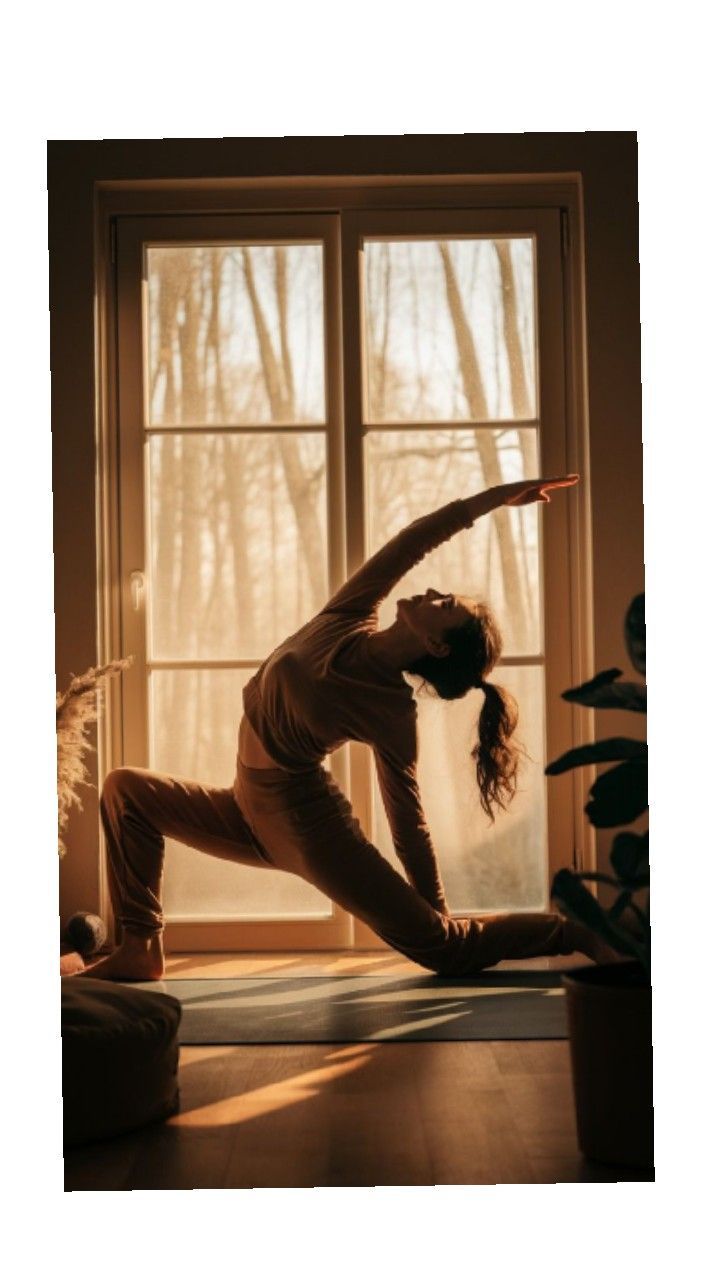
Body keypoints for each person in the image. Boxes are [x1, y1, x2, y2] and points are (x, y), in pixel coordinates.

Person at [80, 473, 618, 982]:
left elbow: (408, 820)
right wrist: (496, 498)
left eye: (444, 604)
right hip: (246, 807)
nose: (431, 590)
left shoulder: (390, 709)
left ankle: (574, 931)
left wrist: (436, 915)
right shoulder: (349, 614)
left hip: (310, 830)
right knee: (125, 790)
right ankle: (140, 946)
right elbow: (413, 541)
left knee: (447, 951)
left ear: (436, 645)